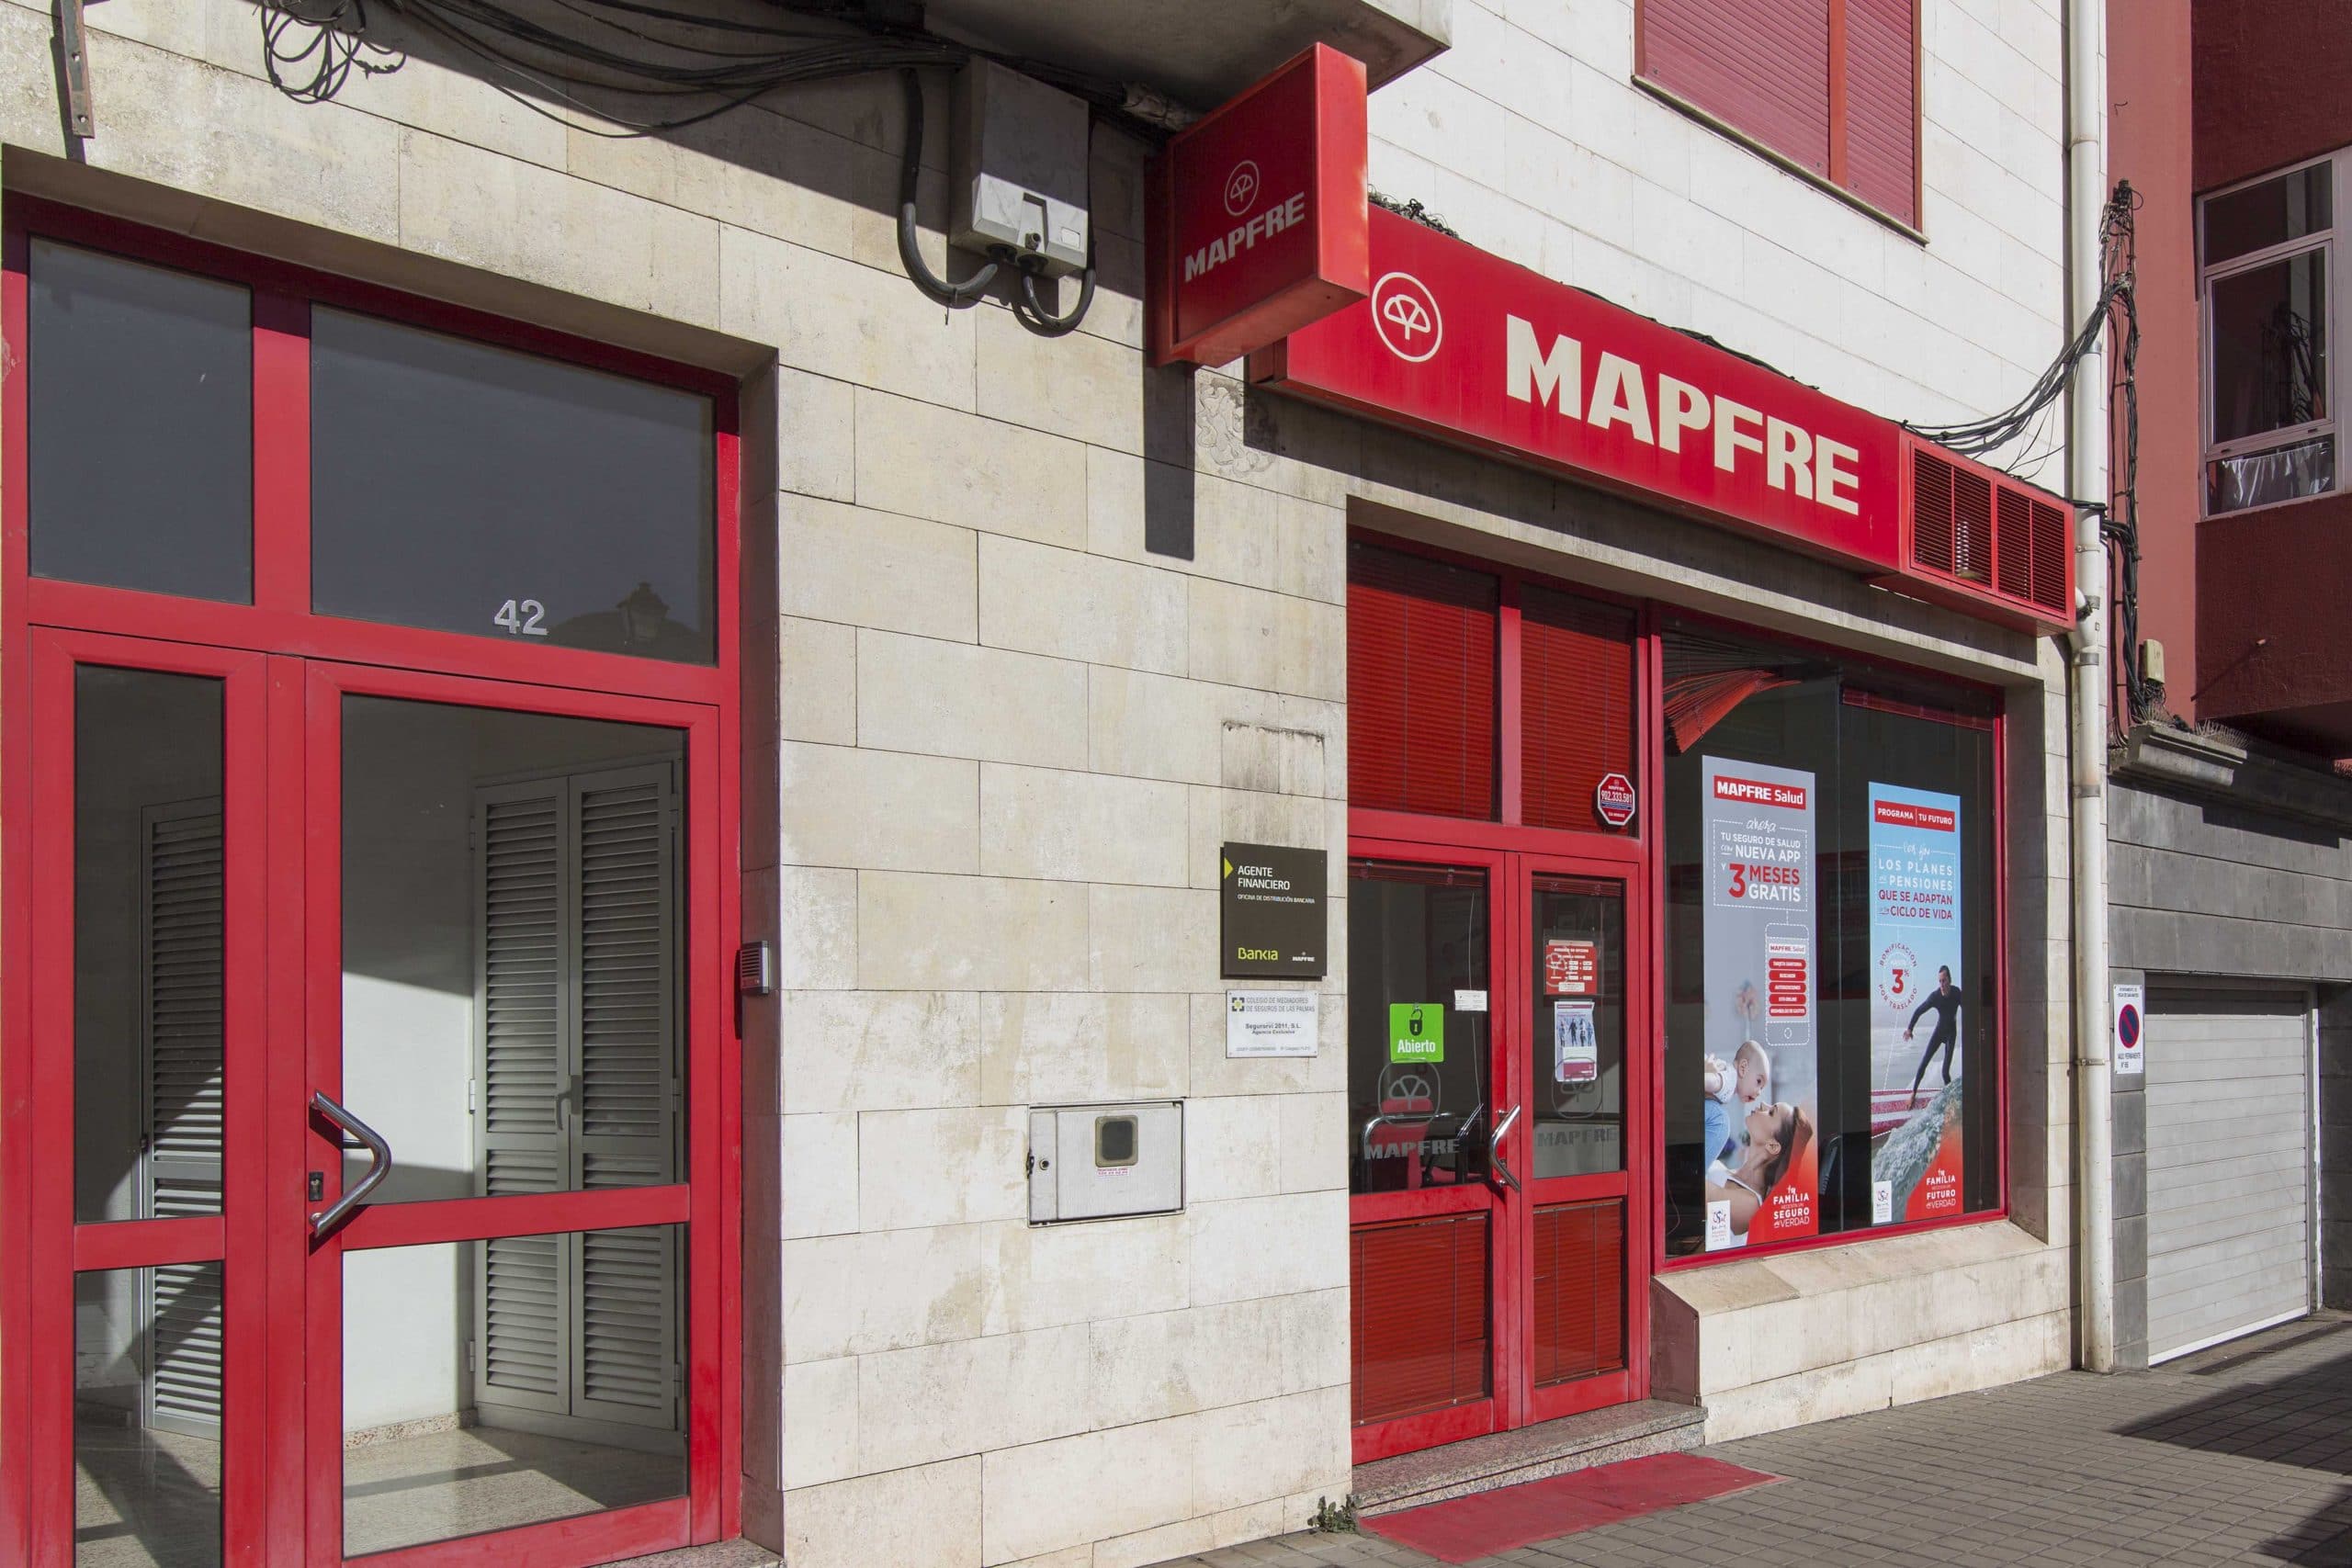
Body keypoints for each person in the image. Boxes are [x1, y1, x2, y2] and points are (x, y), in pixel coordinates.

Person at [1704, 1100, 1813, 1239]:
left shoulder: (1750, 1204)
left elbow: (1693, 1189)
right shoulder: (1727, 1172)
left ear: (1773, 1146)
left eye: (1771, 1112)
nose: (1762, 1104)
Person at [1701, 1039, 1771, 1166]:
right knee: (1722, 1121)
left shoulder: (1730, 1080)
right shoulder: (1730, 1080)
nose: (1759, 1092)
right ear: (1743, 1068)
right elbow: (1714, 1081)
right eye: (1758, 1082)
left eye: (1762, 1088)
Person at [1904, 964, 1963, 1107]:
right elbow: (1919, 1011)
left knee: (1945, 1072)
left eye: (1944, 981)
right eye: (1940, 981)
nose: (1942, 984)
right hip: (1939, 1032)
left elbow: (1968, 1009)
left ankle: (1952, 1102)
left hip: (1951, 1034)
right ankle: (1913, 1094)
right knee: (1923, 1063)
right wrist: (1910, 1029)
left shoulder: (1957, 993)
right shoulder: (1935, 997)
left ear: (1949, 980)